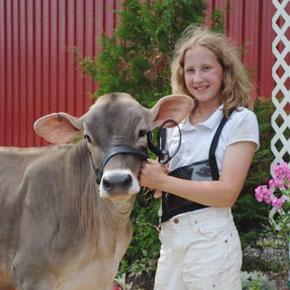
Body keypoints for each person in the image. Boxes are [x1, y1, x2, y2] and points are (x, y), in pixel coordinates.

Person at [139, 26, 259, 290]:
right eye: (190, 70)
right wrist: (155, 181)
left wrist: (162, 182)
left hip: (211, 244)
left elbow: (227, 193)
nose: (198, 78)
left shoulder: (238, 121)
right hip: (171, 242)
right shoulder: (172, 126)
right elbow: (169, 185)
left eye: (207, 68)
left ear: (224, 72)